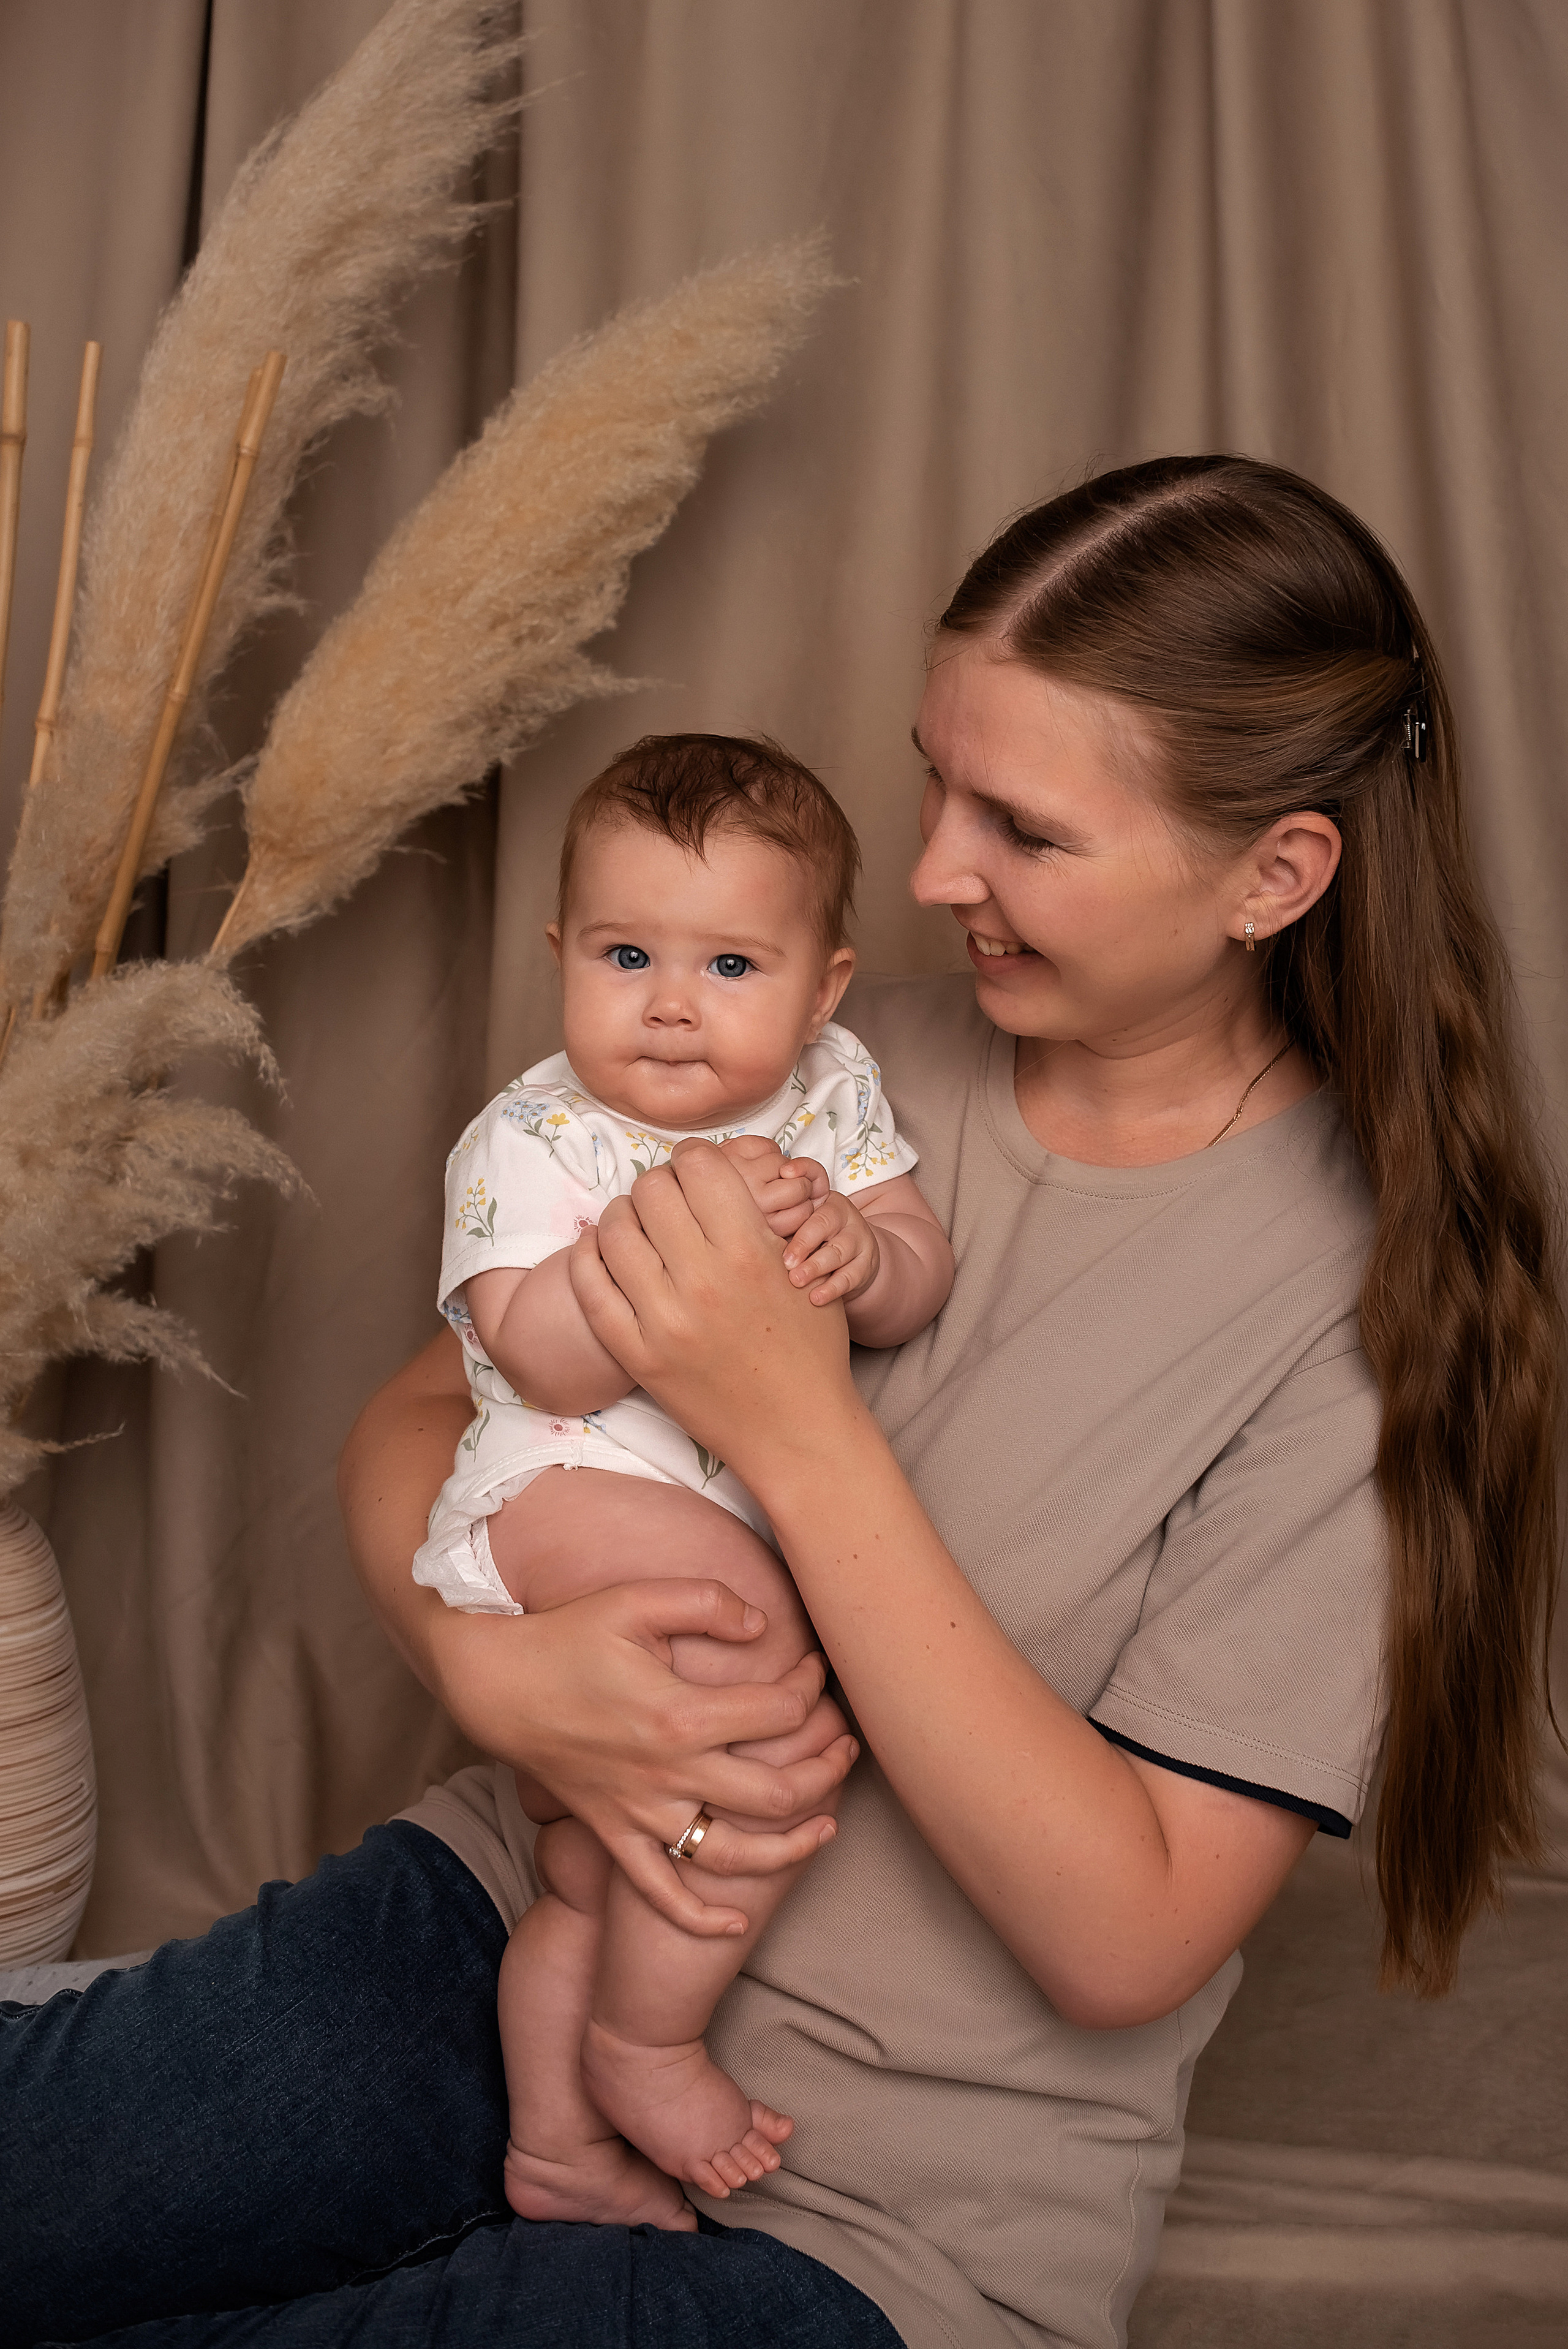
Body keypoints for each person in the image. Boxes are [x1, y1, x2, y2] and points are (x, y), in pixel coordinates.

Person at [4, 455, 1560, 2349]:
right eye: (934, 781)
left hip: (883, 2212)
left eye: (1024, 828)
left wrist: (796, 1424)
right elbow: (427, 1425)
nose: (931, 873)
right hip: (515, 1931)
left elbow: (1129, 1936)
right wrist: (491, 1671)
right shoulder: (809, 1053)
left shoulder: (1367, 1308)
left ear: (1277, 875)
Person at [413, 733, 952, 2222]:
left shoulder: (829, 1094)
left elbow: (914, 1272)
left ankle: (558, 2151)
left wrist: (861, 1252)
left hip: (694, 1496)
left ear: (821, 991)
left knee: (595, 1875)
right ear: (560, 957)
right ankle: (648, 2043)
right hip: (554, 1484)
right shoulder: (533, 1137)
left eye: (728, 967)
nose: (668, 1003)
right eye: (625, 955)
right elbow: (538, 1359)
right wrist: (662, 1237)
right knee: (763, 1674)